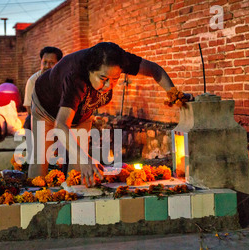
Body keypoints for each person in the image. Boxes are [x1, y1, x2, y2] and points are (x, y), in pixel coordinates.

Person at [28, 42, 193, 186]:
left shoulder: (118, 60)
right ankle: (35, 204)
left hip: (82, 112)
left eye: (115, 79)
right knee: (41, 155)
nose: (108, 85)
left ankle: (72, 204)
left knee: (79, 168)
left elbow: (155, 70)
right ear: (90, 70)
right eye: (103, 78)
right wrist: (86, 159)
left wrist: (173, 94)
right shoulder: (75, 78)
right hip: (46, 106)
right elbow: (61, 125)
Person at [23, 46, 63, 129]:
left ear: (59, 64)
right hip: (41, 118)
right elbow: (29, 109)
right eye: (44, 62)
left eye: (51, 63)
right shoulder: (33, 81)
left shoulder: (64, 79)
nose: (47, 66)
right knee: (28, 121)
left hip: (61, 116)